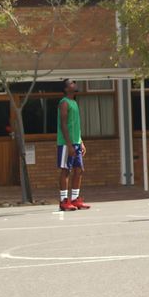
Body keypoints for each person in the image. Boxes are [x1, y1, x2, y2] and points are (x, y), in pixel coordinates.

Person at [57, 79, 90, 211]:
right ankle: (63, 201)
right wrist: (69, 144)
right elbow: (63, 125)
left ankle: (75, 199)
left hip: (76, 142)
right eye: (72, 83)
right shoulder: (64, 103)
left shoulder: (74, 103)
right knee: (66, 170)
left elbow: (75, 126)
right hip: (66, 143)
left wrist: (80, 142)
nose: (75, 84)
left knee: (79, 170)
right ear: (66, 89)